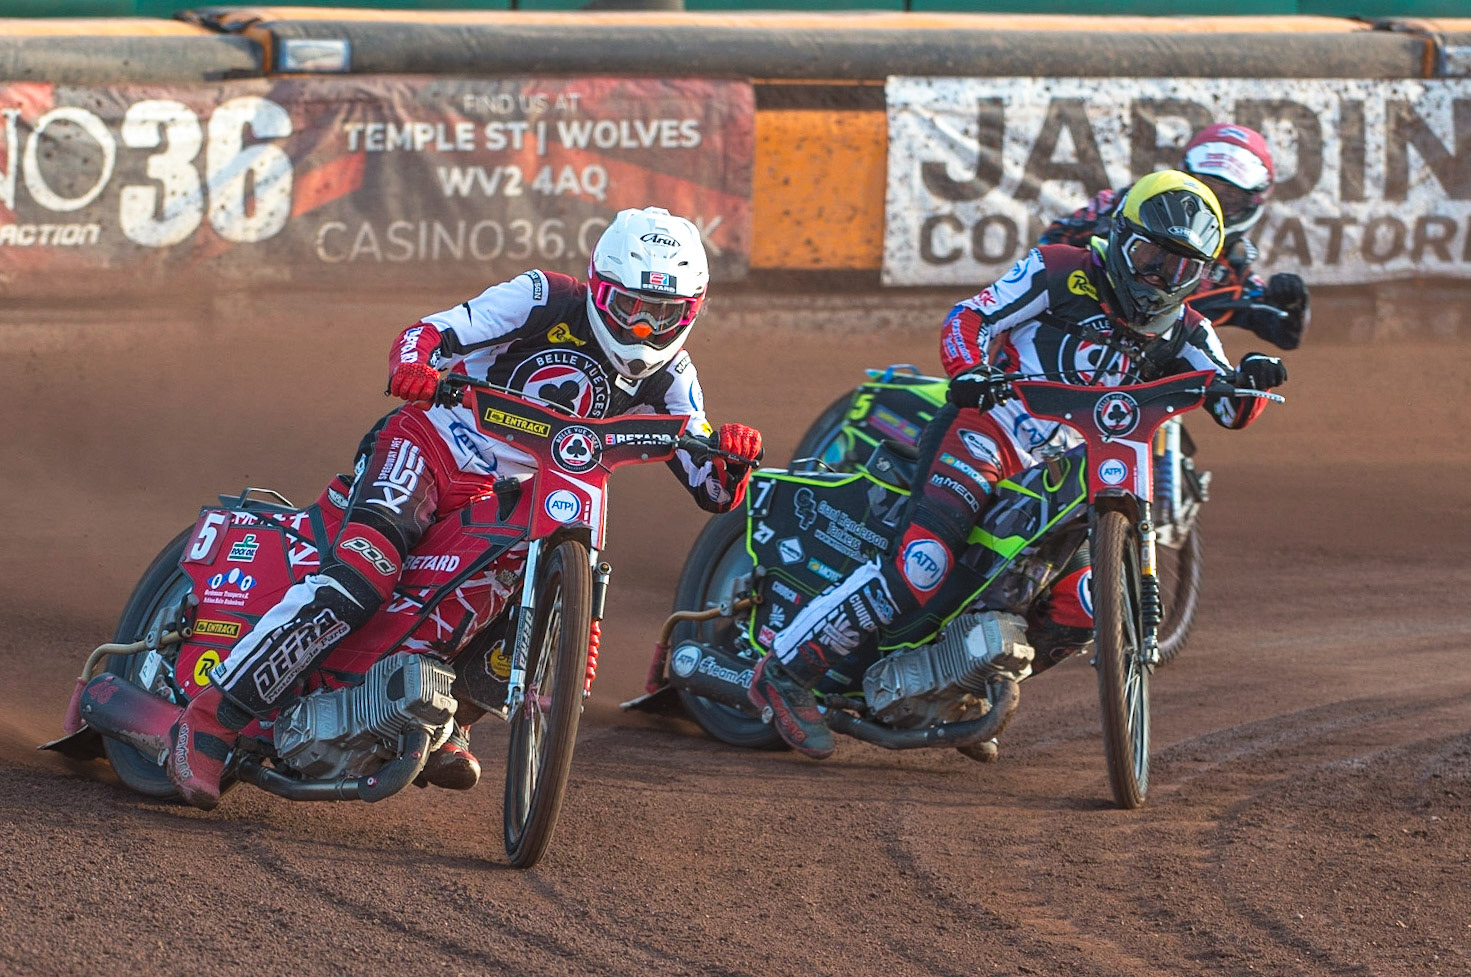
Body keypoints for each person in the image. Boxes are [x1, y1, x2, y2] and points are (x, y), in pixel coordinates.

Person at [167, 206, 765, 809]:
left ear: (691, 311)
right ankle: (213, 718)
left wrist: (733, 457)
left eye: (661, 314)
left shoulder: (674, 379)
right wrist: (414, 364)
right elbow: (430, 331)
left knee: (517, 587)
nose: (640, 329)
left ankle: (445, 715)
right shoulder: (543, 297)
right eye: (629, 307)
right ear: (598, 284)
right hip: (430, 446)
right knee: (361, 578)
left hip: (516, 496)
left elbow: (711, 487)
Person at [749, 170, 1287, 760]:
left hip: (1069, 471)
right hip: (989, 433)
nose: (1161, 277)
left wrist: (1254, 379)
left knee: (1085, 603)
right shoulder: (1060, 268)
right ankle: (785, 674)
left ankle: (963, 683)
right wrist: (970, 371)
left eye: (1182, 267)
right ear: (1121, 234)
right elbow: (970, 318)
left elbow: (1232, 406)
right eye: (1149, 255)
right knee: (921, 566)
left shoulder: (1188, 329)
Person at [1039, 122, 1309, 351]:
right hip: (1062, 339)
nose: (1209, 205)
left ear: (1249, 204)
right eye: (1204, 188)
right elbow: (1049, 246)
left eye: (1227, 199)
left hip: (1139, 378)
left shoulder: (1228, 273)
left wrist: (1293, 303)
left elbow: (1286, 333)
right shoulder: (1130, 205)